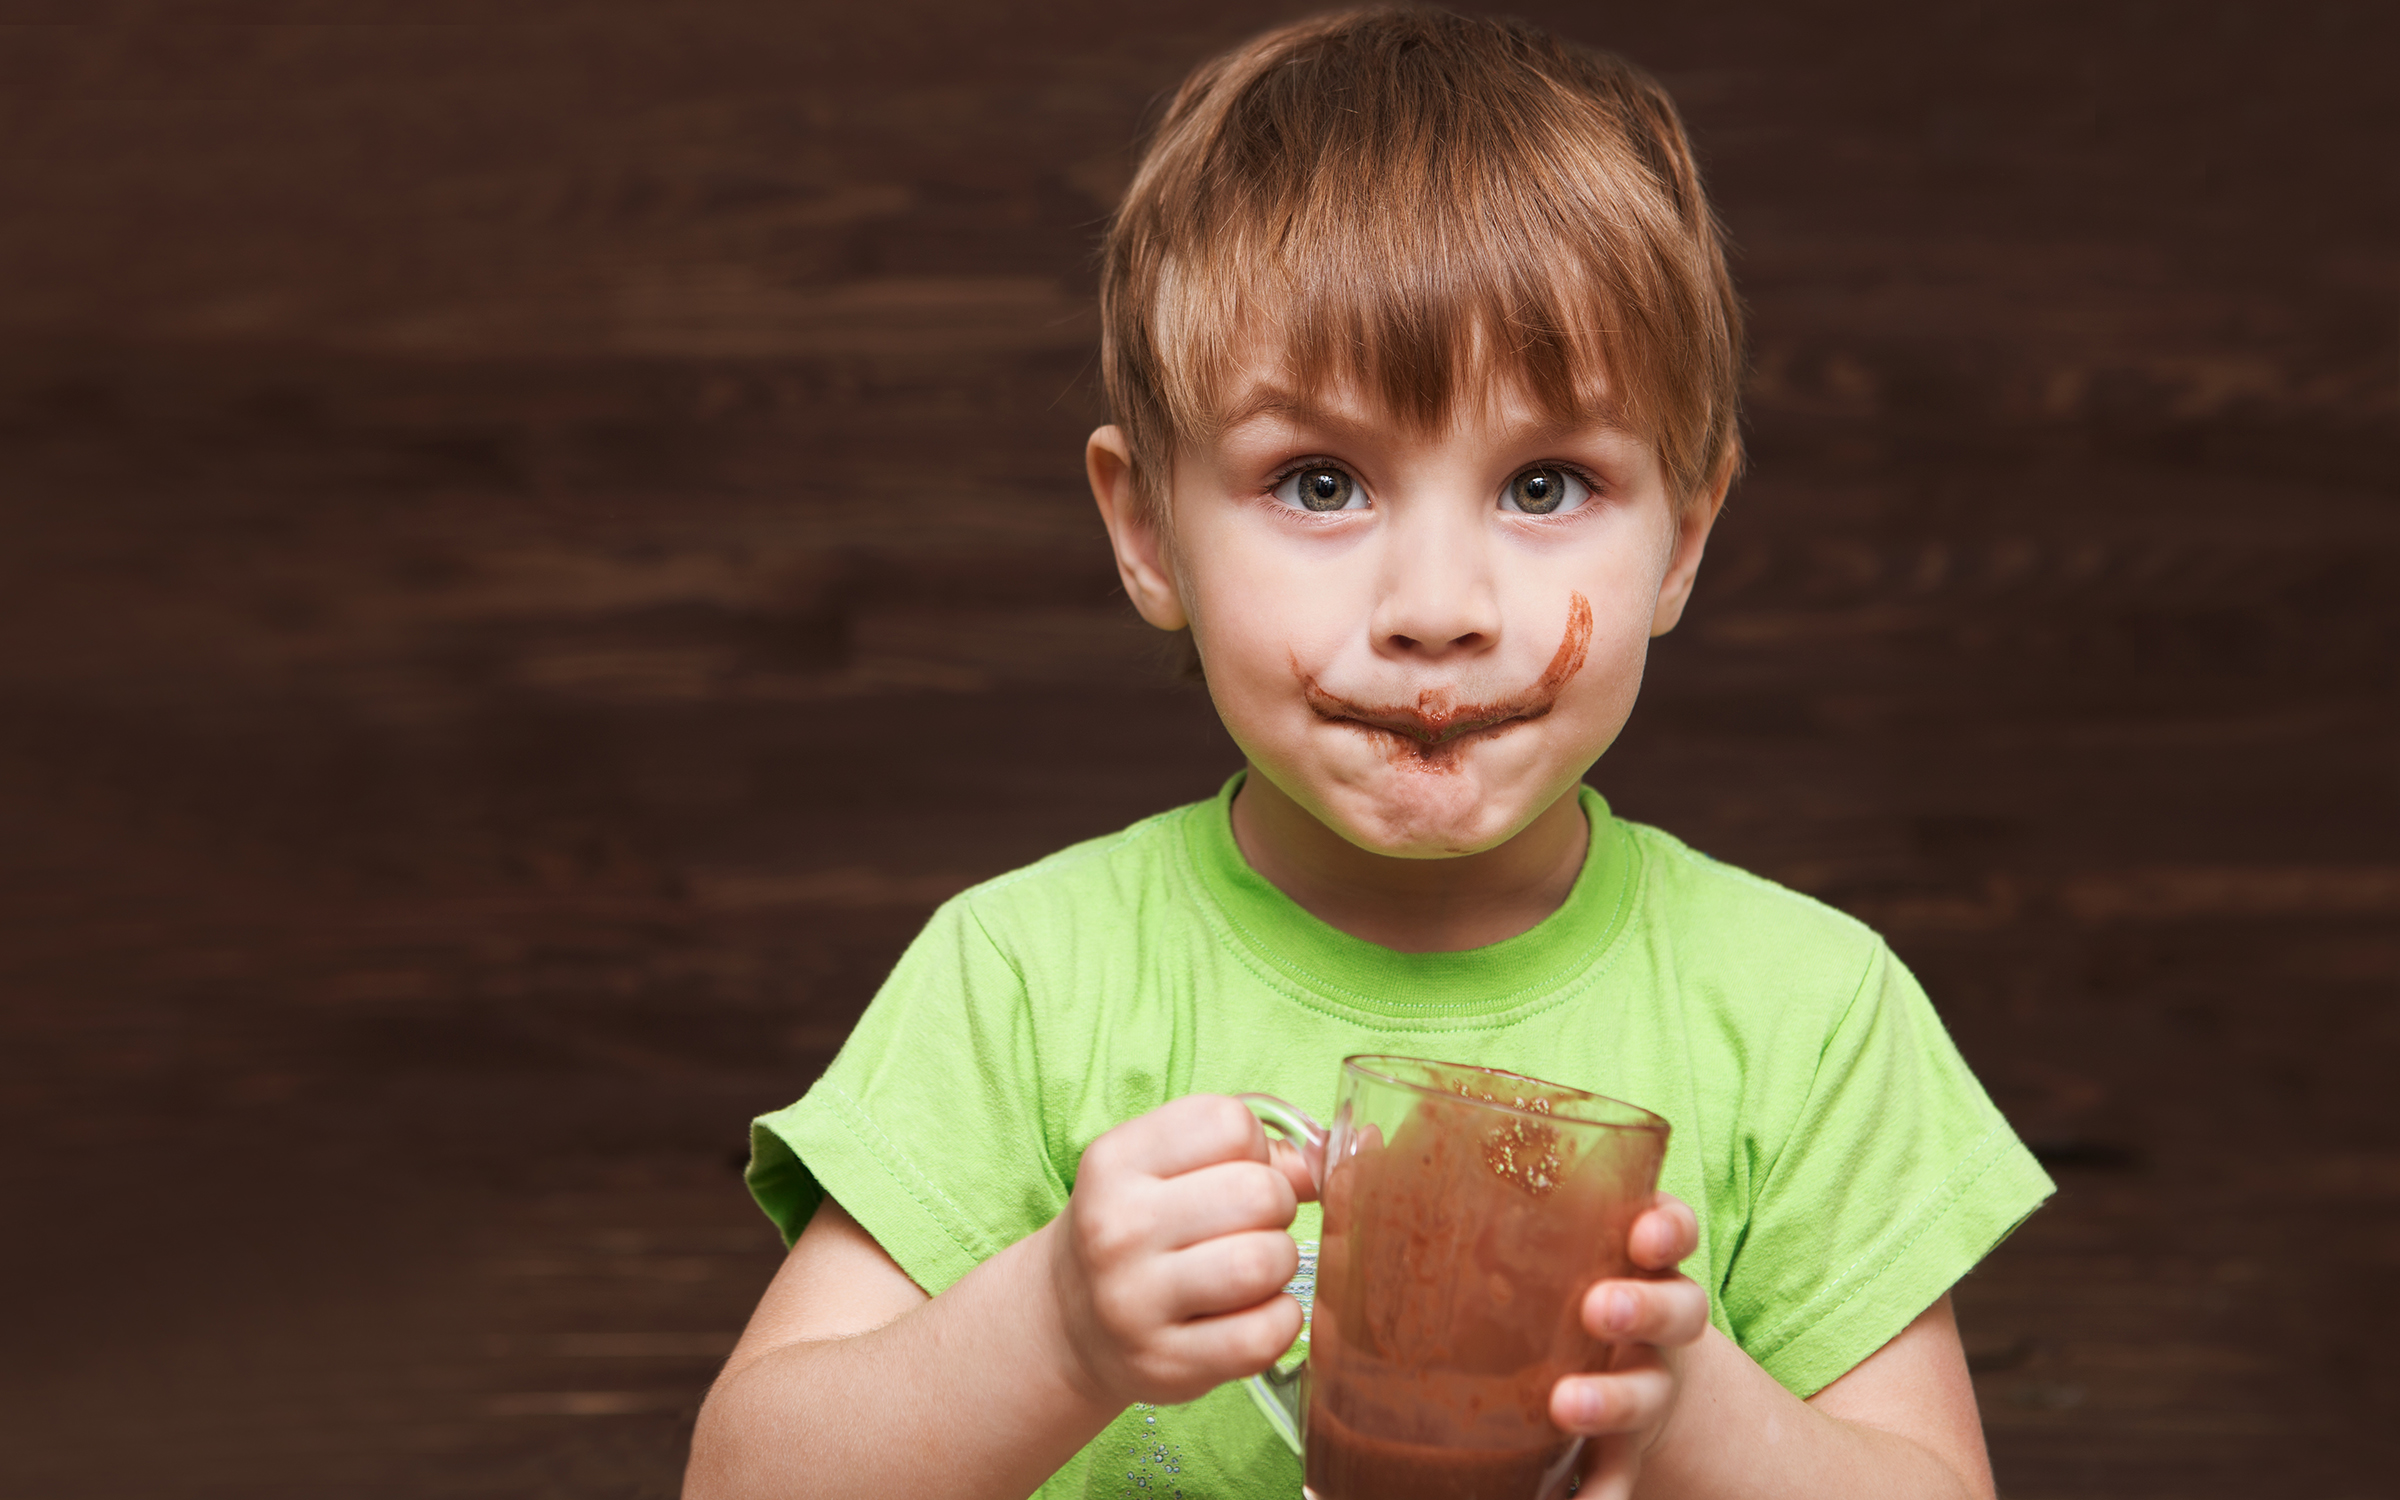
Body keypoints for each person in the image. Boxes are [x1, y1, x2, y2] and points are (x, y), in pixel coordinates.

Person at [685, 9, 2052, 1498]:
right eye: (1319, 481)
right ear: (1145, 530)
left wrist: (1694, 1412)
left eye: (1546, 482)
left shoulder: (1809, 1011)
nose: (1437, 612)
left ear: (1688, 539)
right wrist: (1058, 1330)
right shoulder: (1022, 978)